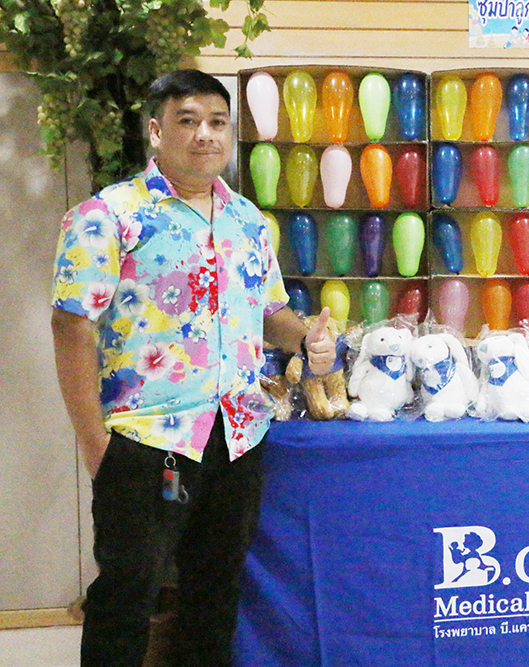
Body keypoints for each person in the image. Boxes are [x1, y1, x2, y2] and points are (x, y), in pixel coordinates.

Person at [50, 69, 336, 667]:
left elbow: (270, 313)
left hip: (236, 438)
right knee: (128, 593)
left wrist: (308, 336)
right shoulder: (109, 215)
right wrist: (96, 443)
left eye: (217, 122)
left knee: (214, 592)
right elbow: (72, 326)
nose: (205, 134)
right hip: (147, 441)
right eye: (188, 121)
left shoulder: (248, 221)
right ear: (156, 131)